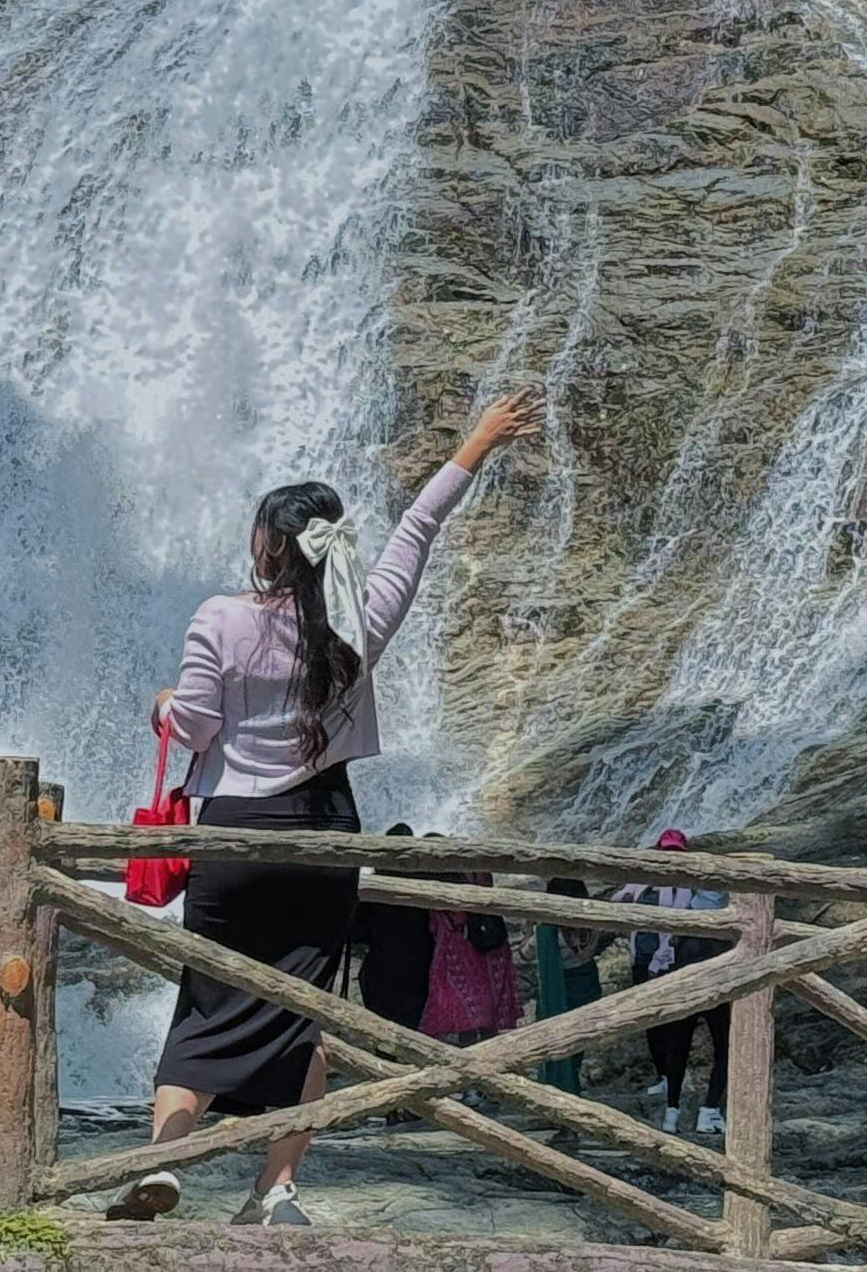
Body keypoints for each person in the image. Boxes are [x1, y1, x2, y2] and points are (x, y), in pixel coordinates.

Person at [113, 389, 543, 1227]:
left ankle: (165, 1163)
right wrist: (476, 443)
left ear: (268, 546)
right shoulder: (360, 623)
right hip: (324, 834)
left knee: (208, 999)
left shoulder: (221, 618)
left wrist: (164, 705)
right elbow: (419, 528)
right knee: (301, 1013)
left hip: (234, 835)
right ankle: (276, 1190)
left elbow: (195, 723)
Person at [620, 829, 734, 1135]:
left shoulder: (686, 906)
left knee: (677, 1043)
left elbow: (668, 941)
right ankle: (709, 1110)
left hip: (683, 975)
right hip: (717, 981)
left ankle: (672, 1111)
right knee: (724, 1045)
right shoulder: (725, 915)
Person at [422, 867, 524, 1044]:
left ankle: (471, 1052)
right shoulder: (482, 874)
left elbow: (434, 926)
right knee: (490, 1006)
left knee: (465, 1014)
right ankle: (491, 1050)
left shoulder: (442, 887)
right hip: (487, 949)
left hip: (456, 951)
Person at [351, 825, 435, 1032]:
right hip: (420, 963)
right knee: (412, 1018)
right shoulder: (425, 885)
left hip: (383, 963)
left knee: (383, 1017)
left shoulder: (373, 888)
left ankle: (384, 1054)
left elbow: (357, 931)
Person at [533, 878, 606, 1091]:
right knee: (578, 1040)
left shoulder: (549, 933)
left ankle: (558, 1087)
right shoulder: (592, 925)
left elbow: (526, 953)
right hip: (588, 983)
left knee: (555, 1039)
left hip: (562, 987)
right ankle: (571, 1081)